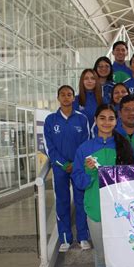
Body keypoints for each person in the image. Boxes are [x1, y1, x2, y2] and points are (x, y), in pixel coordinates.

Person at [72, 104, 134, 267]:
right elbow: (78, 180)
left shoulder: (123, 145)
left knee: (124, 253)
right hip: (96, 210)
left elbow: (132, 178)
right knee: (102, 256)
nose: (106, 122)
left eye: (111, 118)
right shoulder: (85, 149)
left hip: (122, 211)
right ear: (96, 121)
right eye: (102, 118)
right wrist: (91, 173)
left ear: (116, 121)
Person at [44, 85, 91, 252]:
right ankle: (65, 238)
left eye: (69, 94)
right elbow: (49, 147)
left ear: (73, 98)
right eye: (62, 94)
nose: (66, 97)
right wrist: (63, 164)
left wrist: (76, 164)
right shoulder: (50, 120)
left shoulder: (82, 119)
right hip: (60, 168)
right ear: (58, 98)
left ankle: (83, 237)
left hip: (79, 167)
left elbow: (86, 144)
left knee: (81, 202)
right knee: (62, 202)